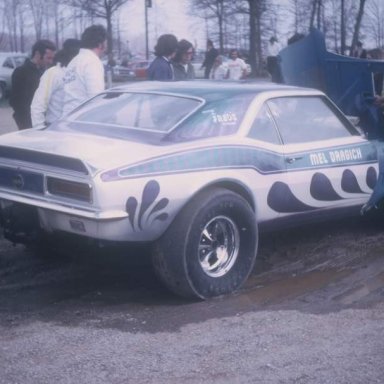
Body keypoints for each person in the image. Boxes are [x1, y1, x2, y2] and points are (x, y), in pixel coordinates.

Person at [31, 39, 81, 129]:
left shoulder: (78, 74)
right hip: (54, 128)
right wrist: (39, 129)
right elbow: (38, 105)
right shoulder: (53, 73)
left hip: (74, 128)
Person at [10, 39, 56, 130]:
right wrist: (27, 123)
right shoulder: (21, 72)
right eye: (48, 58)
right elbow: (16, 102)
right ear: (38, 54)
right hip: (28, 123)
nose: (51, 62)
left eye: (52, 58)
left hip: (45, 121)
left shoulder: (48, 72)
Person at [62, 24, 107, 116]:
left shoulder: (74, 61)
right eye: (105, 43)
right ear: (100, 44)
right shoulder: (92, 61)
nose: (106, 47)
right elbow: (96, 98)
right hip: (82, 119)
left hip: (67, 117)